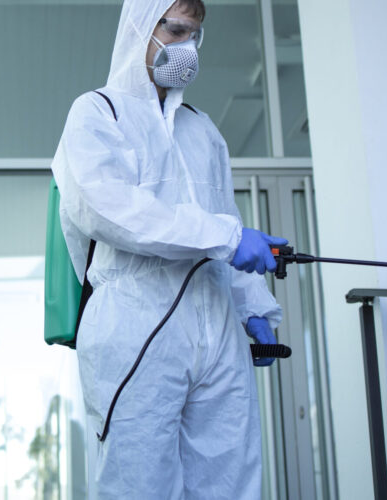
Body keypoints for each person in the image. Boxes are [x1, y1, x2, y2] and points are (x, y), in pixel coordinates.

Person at [50, 0, 285, 497]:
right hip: (134, 322)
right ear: (141, 30)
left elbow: (228, 222)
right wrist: (225, 238)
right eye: (176, 31)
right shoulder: (98, 112)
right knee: (140, 482)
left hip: (216, 323)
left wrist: (253, 307)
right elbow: (108, 208)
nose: (187, 49)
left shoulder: (203, 130)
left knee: (230, 476)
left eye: (195, 36)